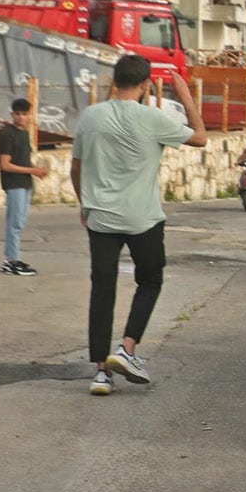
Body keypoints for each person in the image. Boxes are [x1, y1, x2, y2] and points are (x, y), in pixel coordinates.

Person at [70, 53, 205, 397]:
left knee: (102, 290)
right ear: (146, 85)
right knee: (150, 280)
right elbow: (200, 137)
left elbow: (77, 167)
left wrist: (84, 203)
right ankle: (127, 349)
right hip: (142, 218)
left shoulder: (90, 116)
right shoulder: (153, 118)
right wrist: (185, 94)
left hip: (100, 217)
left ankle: (101, 373)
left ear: (115, 81)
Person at [0, 98, 39, 276]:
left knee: (20, 222)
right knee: (14, 223)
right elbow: (5, 164)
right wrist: (32, 170)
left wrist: (32, 172)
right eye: (18, 114)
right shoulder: (7, 134)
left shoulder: (24, 134)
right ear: (12, 114)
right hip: (14, 183)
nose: (21, 117)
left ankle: (13, 258)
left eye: (24, 114)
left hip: (25, 183)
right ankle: (11, 260)